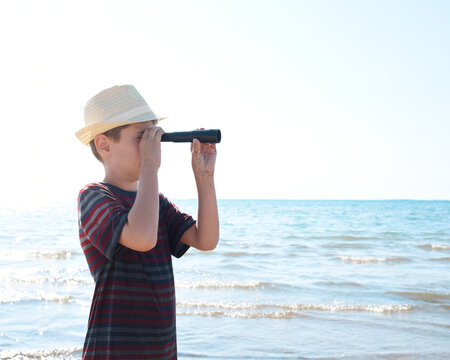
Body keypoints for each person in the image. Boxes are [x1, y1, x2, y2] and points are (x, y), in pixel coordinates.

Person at [75, 85, 219, 359]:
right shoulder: (93, 196)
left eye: (155, 138)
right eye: (143, 138)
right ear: (104, 145)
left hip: (161, 351)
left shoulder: (157, 203)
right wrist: (150, 166)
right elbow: (142, 238)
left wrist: (204, 177)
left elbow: (206, 239)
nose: (153, 146)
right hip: (113, 351)